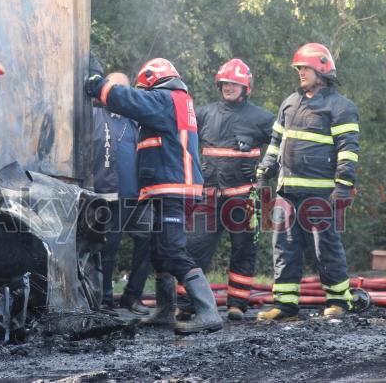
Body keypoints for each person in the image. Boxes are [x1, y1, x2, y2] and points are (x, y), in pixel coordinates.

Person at [85, 58, 222, 335]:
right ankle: (164, 311)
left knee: (172, 250)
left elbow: (128, 100)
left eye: (143, 87)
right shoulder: (175, 100)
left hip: (174, 188)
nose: (142, 93)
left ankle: (208, 311)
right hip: (167, 188)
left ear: (152, 79)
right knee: (160, 252)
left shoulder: (166, 98)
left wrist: (96, 83)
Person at [255, 43, 359, 321]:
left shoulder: (341, 107)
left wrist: (343, 184)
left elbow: (348, 149)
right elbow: (276, 142)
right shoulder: (289, 103)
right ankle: (285, 304)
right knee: (284, 247)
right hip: (286, 190)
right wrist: (266, 168)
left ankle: (338, 300)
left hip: (320, 193)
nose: (300, 73)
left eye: (305, 68)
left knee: (325, 246)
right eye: (299, 68)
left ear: (322, 70)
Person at [180, 59, 274, 321]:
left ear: (246, 88)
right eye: (225, 83)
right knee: (193, 248)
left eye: (235, 83)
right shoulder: (204, 114)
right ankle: (186, 302)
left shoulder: (262, 118)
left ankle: (237, 304)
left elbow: (281, 144)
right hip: (208, 198)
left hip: (244, 199)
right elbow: (182, 137)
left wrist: (268, 170)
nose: (229, 87)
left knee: (244, 250)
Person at [92, 72, 152, 316]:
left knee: (149, 239)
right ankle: (104, 299)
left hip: (138, 195)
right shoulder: (93, 115)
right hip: (108, 195)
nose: (117, 93)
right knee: (109, 246)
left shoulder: (137, 119)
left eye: (122, 89)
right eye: (113, 87)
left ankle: (132, 296)